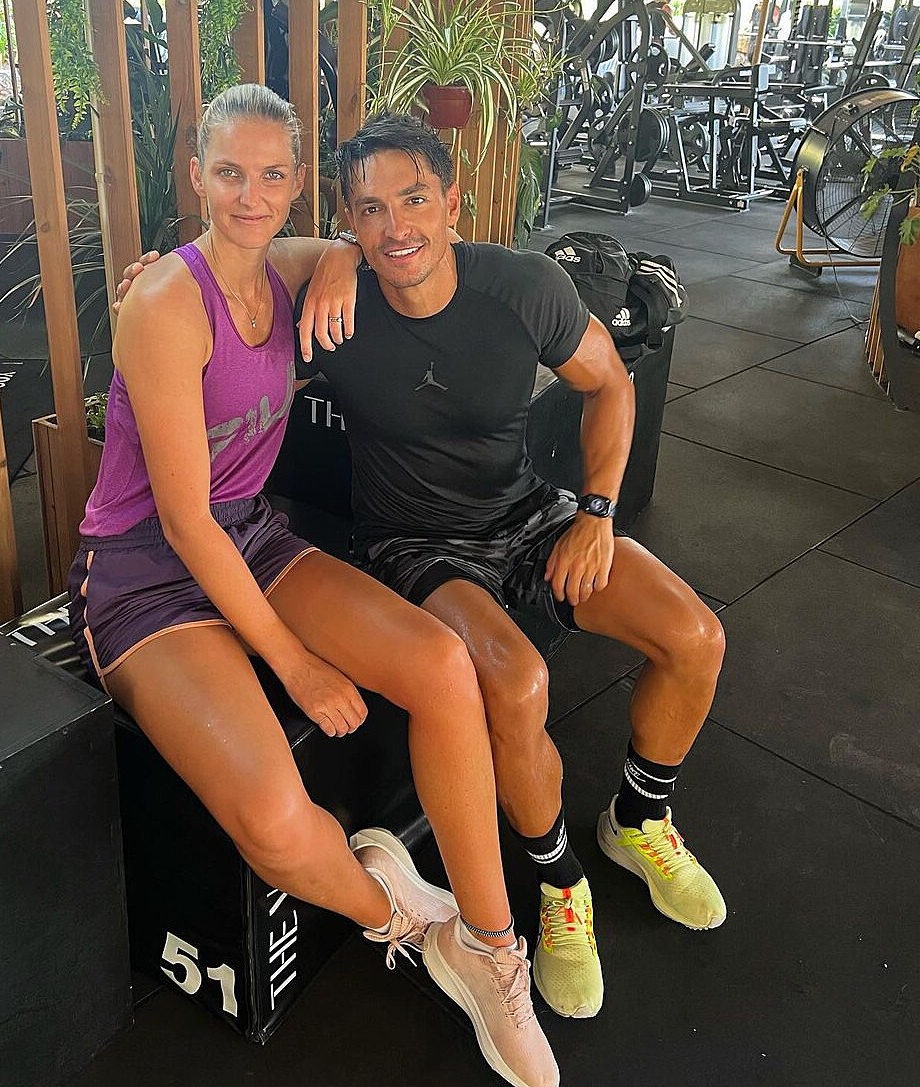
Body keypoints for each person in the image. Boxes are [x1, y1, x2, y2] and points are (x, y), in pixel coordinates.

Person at [118, 112, 728, 1022]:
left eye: (413, 200)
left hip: (528, 514)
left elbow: (610, 382)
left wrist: (597, 512)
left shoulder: (526, 286)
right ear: (348, 220)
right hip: (413, 545)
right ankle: (560, 880)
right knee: (516, 683)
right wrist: (154, 290)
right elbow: (232, 271)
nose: (395, 226)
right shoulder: (337, 311)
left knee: (696, 636)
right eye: (369, 210)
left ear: (453, 202)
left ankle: (638, 820)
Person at [74, 85, 558, 1087]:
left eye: (271, 175)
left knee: (442, 663)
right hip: (145, 577)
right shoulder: (165, 303)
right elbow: (183, 522)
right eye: (228, 173)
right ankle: (410, 924)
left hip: (250, 536)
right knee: (276, 824)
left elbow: (349, 247)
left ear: (297, 185)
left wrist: (340, 252)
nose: (249, 195)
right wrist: (291, 662)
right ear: (196, 177)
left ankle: (492, 945)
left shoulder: (292, 264)